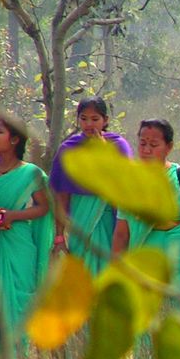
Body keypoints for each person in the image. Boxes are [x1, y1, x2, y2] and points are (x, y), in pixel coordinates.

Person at [112, 119, 180, 304]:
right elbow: (122, 233)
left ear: (168, 147)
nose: (146, 150)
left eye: (154, 145)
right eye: (143, 143)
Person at [0, 119, 54, 359]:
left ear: (14, 140)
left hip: (18, 243)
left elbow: (44, 207)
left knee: (19, 298)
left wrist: (12, 215)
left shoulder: (32, 174)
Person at [49, 97, 132, 276]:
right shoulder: (69, 149)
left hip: (110, 222)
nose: (89, 124)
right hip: (80, 222)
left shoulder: (118, 146)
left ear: (105, 120)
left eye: (95, 119)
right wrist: (59, 237)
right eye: (84, 118)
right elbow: (62, 195)